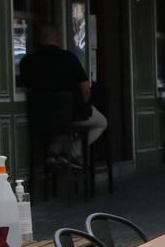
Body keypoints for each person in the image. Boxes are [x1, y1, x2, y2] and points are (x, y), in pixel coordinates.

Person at [18, 22, 107, 163]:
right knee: (101, 122)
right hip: (70, 116)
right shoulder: (68, 58)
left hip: (39, 118)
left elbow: (25, 87)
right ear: (57, 38)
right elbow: (85, 89)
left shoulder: (26, 61)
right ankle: (71, 153)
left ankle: (53, 154)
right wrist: (84, 106)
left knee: (58, 124)